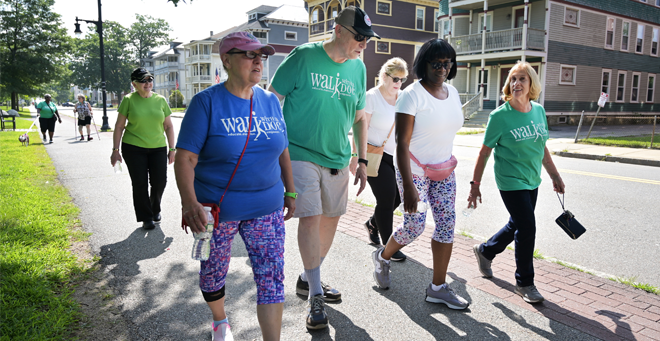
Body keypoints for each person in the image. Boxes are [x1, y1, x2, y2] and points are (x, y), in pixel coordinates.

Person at [174, 32, 295, 341]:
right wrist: (190, 203)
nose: (258, 61)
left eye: (262, 55)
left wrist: (290, 190)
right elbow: (185, 159)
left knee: (272, 279)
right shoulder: (206, 103)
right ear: (226, 60)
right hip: (217, 209)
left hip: (266, 207)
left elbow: (282, 148)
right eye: (249, 54)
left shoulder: (269, 101)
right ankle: (220, 321)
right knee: (213, 272)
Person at [268, 6, 376, 330]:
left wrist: (362, 158)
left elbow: (359, 117)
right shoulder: (303, 56)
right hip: (299, 154)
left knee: (331, 222)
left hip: (338, 158)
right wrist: (272, 146)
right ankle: (316, 297)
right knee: (311, 218)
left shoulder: (358, 69)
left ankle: (307, 278)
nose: (364, 45)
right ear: (338, 30)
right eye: (360, 37)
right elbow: (272, 99)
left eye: (367, 40)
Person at [371, 38, 469, 310]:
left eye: (447, 62)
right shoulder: (411, 95)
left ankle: (438, 287)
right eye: (436, 63)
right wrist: (410, 189)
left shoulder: (453, 93)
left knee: (447, 224)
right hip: (414, 172)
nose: (442, 68)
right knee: (414, 225)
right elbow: (402, 144)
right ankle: (383, 256)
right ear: (423, 64)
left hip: (443, 170)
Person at [468, 61, 565, 304]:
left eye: (522, 78)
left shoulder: (538, 111)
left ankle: (486, 250)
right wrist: (475, 184)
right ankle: (525, 283)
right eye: (513, 79)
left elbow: (541, 146)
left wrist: (554, 175)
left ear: (531, 83)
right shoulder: (500, 116)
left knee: (517, 223)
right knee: (528, 227)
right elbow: (484, 152)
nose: (516, 83)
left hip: (533, 179)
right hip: (510, 181)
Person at [350, 57, 408, 262]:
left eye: (402, 79)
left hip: (395, 157)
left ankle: (373, 223)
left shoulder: (403, 98)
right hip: (373, 155)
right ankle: (388, 246)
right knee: (386, 197)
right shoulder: (372, 97)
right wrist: (356, 156)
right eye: (395, 78)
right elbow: (360, 127)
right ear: (383, 76)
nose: (398, 83)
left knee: (399, 197)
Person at [110, 68, 176, 230]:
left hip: (158, 147)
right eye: (143, 80)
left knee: (159, 181)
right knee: (140, 184)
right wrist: (115, 150)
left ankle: (155, 209)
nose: (147, 83)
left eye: (150, 80)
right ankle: (146, 217)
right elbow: (119, 126)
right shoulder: (128, 100)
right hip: (133, 147)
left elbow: (168, 126)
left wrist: (172, 149)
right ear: (134, 84)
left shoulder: (160, 100)